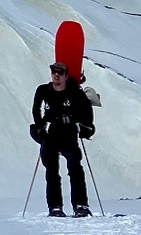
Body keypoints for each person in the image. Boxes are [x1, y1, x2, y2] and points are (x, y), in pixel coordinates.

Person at [30, 61, 95, 217]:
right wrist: (40, 127)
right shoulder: (44, 90)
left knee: (75, 167)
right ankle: (55, 207)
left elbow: (87, 111)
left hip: (69, 132)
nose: (56, 75)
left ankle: (80, 205)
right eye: (53, 72)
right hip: (52, 132)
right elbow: (35, 108)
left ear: (66, 76)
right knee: (51, 170)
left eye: (60, 72)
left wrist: (85, 127)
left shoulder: (75, 92)